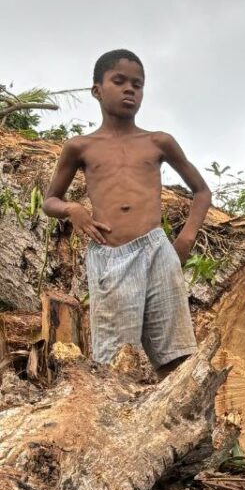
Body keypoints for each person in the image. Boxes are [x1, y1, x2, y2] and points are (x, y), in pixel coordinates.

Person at [43, 49, 211, 375]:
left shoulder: (158, 142)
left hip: (157, 248)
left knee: (176, 354)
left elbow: (201, 191)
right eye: (118, 81)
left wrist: (186, 238)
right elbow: (51, 200)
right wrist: (72, 209)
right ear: (96, 89)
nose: (129, 90)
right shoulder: (80, 147)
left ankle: (177, 421)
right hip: (111, 254)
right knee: (115, 361)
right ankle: (117, 422)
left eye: (138, 84)